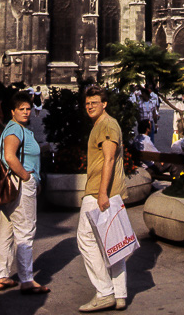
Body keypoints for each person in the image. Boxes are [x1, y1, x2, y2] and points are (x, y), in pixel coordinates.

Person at [0, 90, 48, 294]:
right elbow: (9, 156)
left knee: (6, 231)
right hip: (20, 185)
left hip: (14, 186)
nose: (25, 112)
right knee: (25, 231)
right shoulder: (15, 130)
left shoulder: (17, 128)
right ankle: (26, 279)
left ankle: (2, 275)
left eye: (28, 108)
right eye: (21, 109)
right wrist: (27, 176)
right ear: (12, 112)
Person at [77, 85, 128, 312]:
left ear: (104, 104)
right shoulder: (104, 124)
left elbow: (108, 159)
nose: (89, 106)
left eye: (94, 102)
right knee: (112, 242)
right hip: (107, 191)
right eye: (87, 103)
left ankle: (105, 292)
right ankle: (120, 294)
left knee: (85, 239)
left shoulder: (106, 125)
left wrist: (102, 193)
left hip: (100, 191)